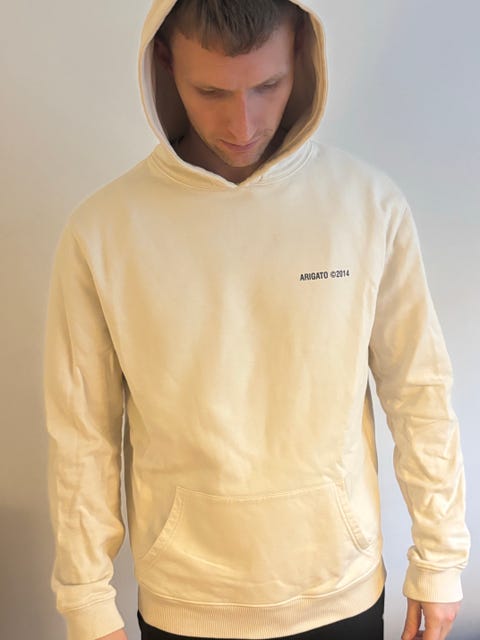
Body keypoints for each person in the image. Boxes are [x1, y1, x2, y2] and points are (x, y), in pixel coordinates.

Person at [44, 1, 470, 640]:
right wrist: (85, 602)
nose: (242, 123)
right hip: (188, 603)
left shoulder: (367, 206)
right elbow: (83, 433)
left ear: (300, 52)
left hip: (341, 591)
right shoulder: (103, 231)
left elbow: (419, 391)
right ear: (165, 62)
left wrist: (439, 559)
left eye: (267, 86)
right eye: (211, 92)